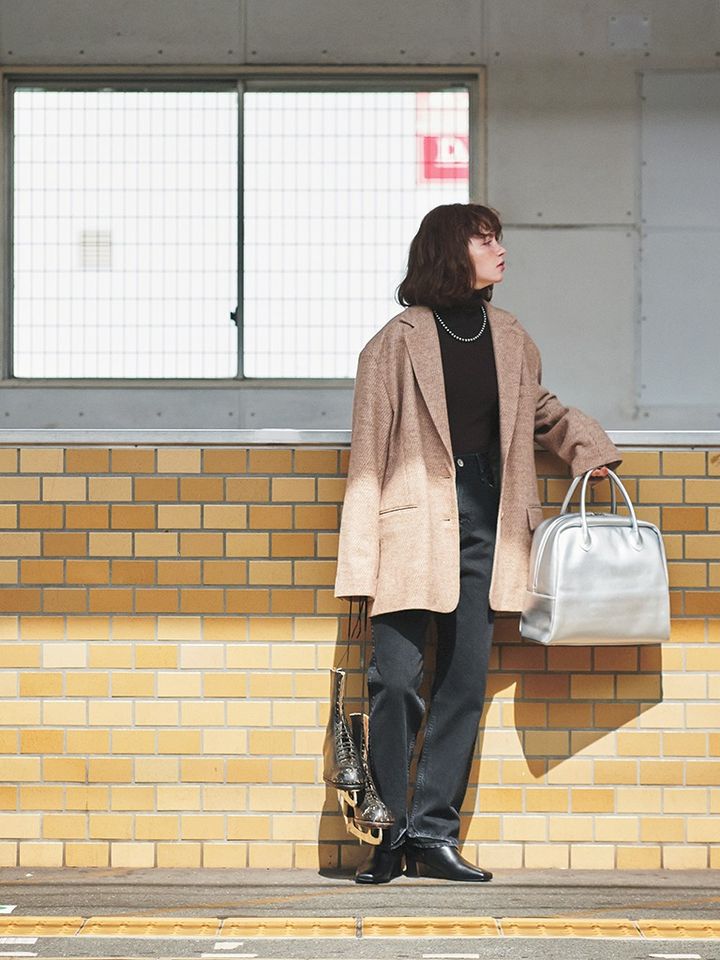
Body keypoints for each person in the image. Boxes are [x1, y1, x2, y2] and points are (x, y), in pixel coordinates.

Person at [334, 203, 622, 884]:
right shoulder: (394, 343)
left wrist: (588, 447)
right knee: (395, 681)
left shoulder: (511, 336)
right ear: (450, 251)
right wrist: (360, 567)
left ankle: (433, 836)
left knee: (463, 685)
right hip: (409, 530)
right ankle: (387, 835)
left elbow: (539, 410)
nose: (500, 250)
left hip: (488, 527)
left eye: (498, 239)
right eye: (486, 240)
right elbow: (367, 458)